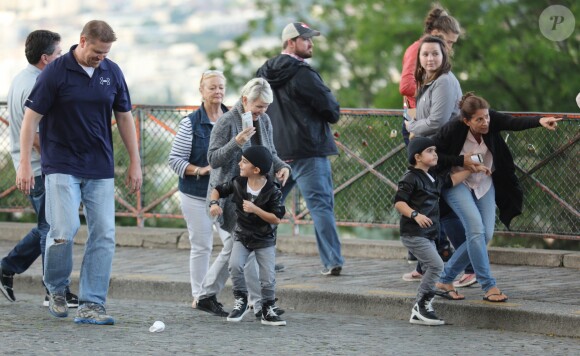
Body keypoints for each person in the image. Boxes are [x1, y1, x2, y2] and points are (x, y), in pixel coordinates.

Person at [16, 20, 142, 325]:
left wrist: (135, 162)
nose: (102, 57)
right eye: (97, 51)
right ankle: (57, 288)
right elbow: (30, 119)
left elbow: (124, 118)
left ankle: (92, 304)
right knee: (64, 229)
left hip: (99, 165)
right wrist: (23, 163)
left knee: (105, 234)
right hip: (60, 163)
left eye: (106, 52)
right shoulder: (56, 72)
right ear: (83, 41)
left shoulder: (111, 72)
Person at [433, 92, 561, 302]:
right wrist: (461, 160)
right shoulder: (452, 129)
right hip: (458, 182)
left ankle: (445, 280)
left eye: (487, 117)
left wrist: (540, 120)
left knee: (484, 235)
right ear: (466, 121)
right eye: (479, 120)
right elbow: (434, 155)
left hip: (484, 182)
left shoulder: (491, 121)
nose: (485, 123)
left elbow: (513, 122)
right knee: (475, 230)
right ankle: (489, 286)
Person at [256, 22, 344, 276]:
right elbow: (331, 109)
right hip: (308, 150)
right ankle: (332, 261)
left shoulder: (263, 72)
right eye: (306, 39)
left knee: (267, 207)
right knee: (320, 207)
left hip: (275, 151)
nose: (311, 43)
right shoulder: (303, 73)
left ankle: (262, 260)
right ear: (291, 42)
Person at [1, 30, 79, 307]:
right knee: (54, 227)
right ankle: (53, 290)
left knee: (48, 223)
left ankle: (6, 268)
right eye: (58, 54)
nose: (62, 58)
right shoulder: (36, 83)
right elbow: (34, 135)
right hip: (41, 166)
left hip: (33, 165)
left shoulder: (23, 78)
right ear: (46, 59)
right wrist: (59, 162)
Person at [206, 77, 290, 318]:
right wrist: (237, 142)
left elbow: (269, 153)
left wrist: (283, 166)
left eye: (265, 107)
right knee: (242, 247)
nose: (262, 112)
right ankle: (257, 302)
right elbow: (213, 160)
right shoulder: (227, 121)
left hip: (258, 193)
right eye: (258, 107)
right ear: (245, 100)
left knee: (242, 247)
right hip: (231, 195)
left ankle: (248, 301)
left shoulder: (263, 120)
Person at [394, 137, 489, 325]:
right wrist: (415, 215)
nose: (435, 153)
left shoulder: (432, 177)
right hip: (414, 233)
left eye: (435, 150)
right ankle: (421, 306)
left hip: (428, 234)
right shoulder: (410, 177)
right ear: (418, 157)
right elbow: (399, 202)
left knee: (434, 266)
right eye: (430, 151)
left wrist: (471, 168)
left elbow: (451, 180)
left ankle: (421, 307)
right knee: (437, 266)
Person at [402, 35, 473, 285]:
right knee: (440, 208)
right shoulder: (429, 81)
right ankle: (434, 264)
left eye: (435, 53)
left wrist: (412, 127)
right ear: (419, 59)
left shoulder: (443, 82)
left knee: (444, 210)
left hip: (441, 152)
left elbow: (438, 121)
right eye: (425, 54)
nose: (430, 58)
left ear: (444, 57)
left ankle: (469, 266)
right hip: (433, 151)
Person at [168, 70, 229, 311]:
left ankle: (215, 291)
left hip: (226, 194)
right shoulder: (190, 123)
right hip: (195, 194)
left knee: (232, 243)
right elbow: (174, 160)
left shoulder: (234, 118)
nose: (218, 92)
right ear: (201, 90)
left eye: (221, 87)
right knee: (202, 245)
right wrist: (200, 170)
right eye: (212, 87)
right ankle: (199, 295)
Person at [209, 146, 287, 326]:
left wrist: (255, 209)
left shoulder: (273, 191)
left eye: (244, 162)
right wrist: (214, 203)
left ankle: (268, 309)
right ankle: (241, 300)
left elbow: (276, 218)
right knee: (235, 266)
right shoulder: (238, 182)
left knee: (267, 277)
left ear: (256, 170)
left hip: (264, 239)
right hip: (242, 235)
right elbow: (218, 190)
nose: (239, 164)